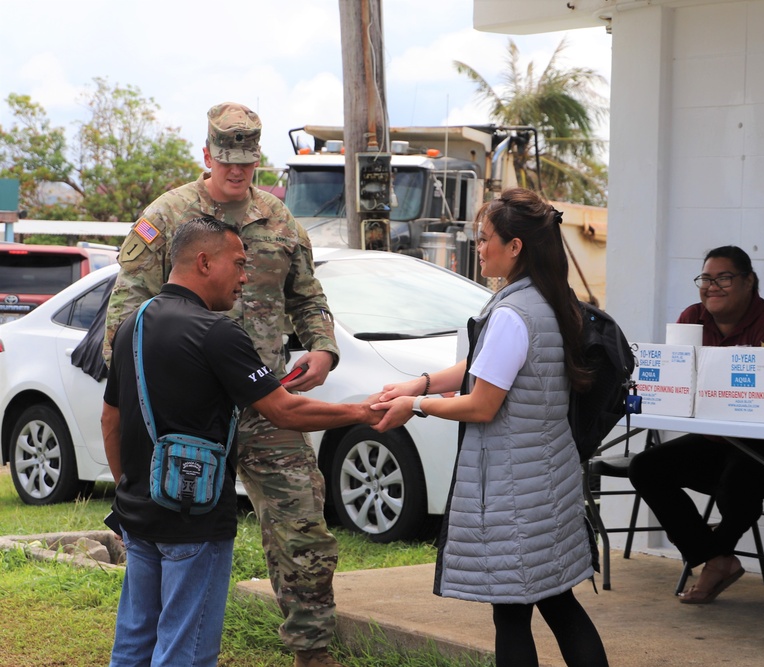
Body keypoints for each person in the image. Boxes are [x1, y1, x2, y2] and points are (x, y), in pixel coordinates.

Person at [104, 103, 345, 667]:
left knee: (301, 524)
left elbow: (308, 299)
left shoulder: (281, 224)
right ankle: (164, 646)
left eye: (248, 165)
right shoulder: (168, 216)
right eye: (227, 164)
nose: (237, 175)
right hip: (184, 411)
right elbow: (127, 311)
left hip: (263, 401)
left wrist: (323, 350)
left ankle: (312, 650)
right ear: (207, 155)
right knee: (166, 531)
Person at [370, 188, 608, 667]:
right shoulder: (549, 300)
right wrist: (418, 383)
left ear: (515, 246)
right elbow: (484, 367)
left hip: (516, 487)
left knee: (514, 614)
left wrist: (416, 405)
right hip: (547, 475)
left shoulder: (512, 313)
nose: (478, 249)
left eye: (484, 240)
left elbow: (482, 404)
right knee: (558, 601)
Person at [627, 245, 764, 604]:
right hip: (719, 440)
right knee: (646, 466)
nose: (712, 286)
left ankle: (712, 554)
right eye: (706, 278)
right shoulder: (691, 317)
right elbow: (676, 378)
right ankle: (716, 557)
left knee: (736, 483)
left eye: (724, 278)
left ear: (749, 282)